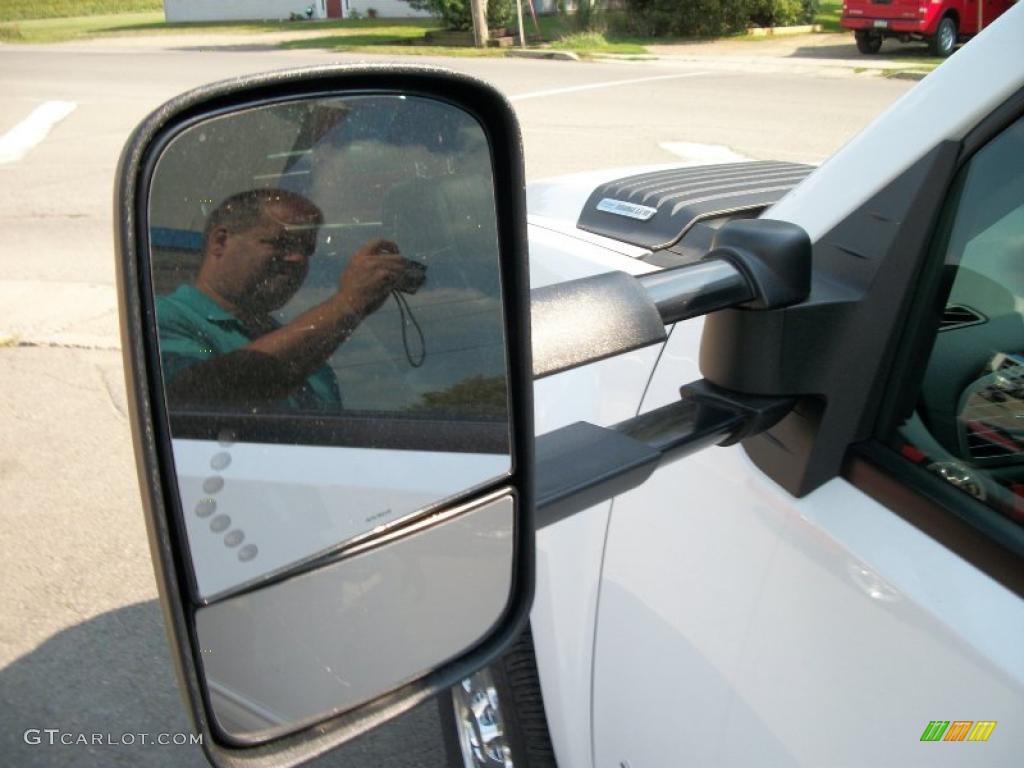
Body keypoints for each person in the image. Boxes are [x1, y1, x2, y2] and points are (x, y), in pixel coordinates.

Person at [156, 188, 411, 412]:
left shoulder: (307, 351)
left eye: (307, 250)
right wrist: (347, 304)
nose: (297, 259)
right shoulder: (158, 319)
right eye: (282, 243)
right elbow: (198, 398)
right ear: (220, 242)